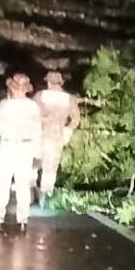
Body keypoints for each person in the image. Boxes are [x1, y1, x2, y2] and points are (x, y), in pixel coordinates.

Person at [0, 70, 41, 233]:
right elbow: (37, 131)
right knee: (23, 186)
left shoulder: (3, 105)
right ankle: (22, 221)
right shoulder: (33, 106)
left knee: (2, 185)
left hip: (6, 147)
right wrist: (37, 154)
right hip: (25, 148)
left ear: (12, 88)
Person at [35, 69, 82, 208]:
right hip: (57, 136)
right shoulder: (69, 98)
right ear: (61, 83)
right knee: (51, 166)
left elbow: (32, 113)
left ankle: (32, 191)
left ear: (48, 82)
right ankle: (46, 193)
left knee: (36, 163)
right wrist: (68, 130)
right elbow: (76, 119)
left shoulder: (40, 95)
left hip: (41, 134)